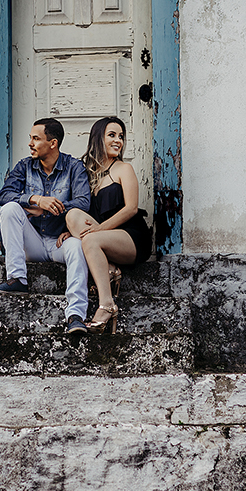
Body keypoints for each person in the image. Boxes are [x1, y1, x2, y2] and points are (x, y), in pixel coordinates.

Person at [0, 118, 92, 334]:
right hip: (33, 241)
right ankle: (17, 278)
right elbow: (4, 195)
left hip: (59, 242)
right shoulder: (25, 166)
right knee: (9, 209)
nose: (30, 143)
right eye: (30, 138)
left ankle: (75, 315)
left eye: (36, 138)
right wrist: (36, 199)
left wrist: (50, 207)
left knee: (76, 247)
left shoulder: (74, 167)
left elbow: (84, 202)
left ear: (52, 143)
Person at [65, 116, 151, 333]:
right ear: (98, 138)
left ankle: (107, 304)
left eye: (121, 136)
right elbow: (80, 213)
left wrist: (98, 229)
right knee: (72, 215)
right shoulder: (86, 174)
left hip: (131, 236)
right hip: (100, 237)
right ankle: (110, 268)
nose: (118, 141)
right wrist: (68, 232)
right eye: (112, 135)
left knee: (91, 239)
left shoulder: (124, 169)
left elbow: (131, 208)